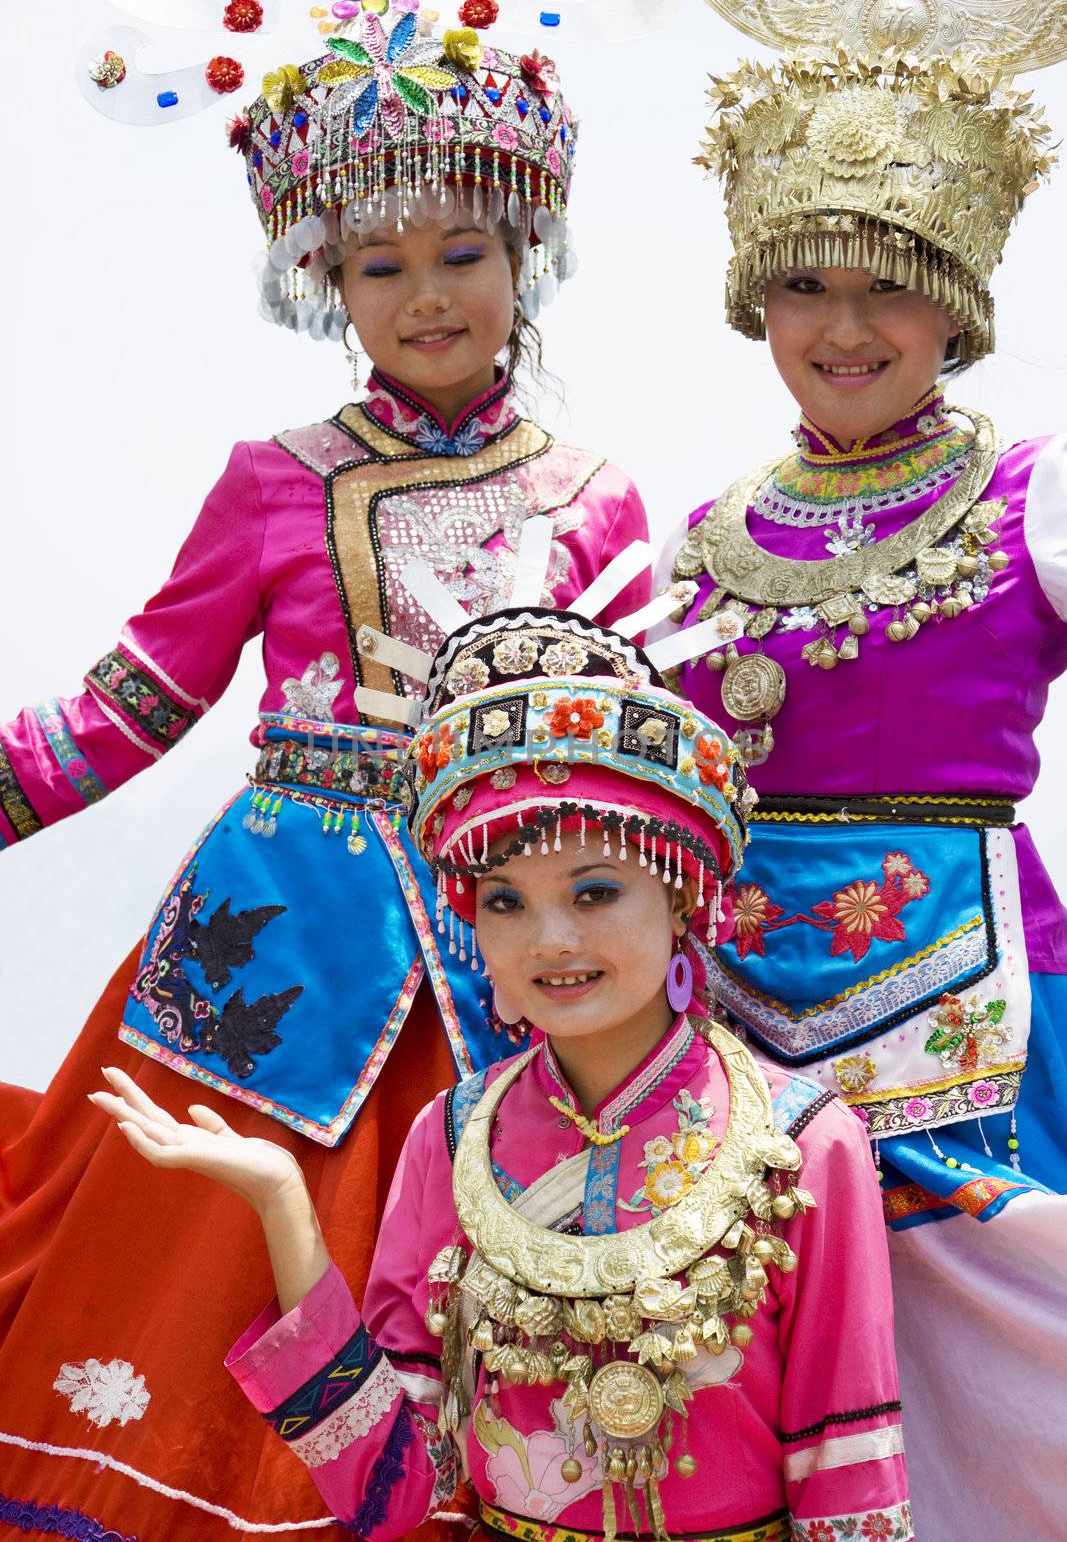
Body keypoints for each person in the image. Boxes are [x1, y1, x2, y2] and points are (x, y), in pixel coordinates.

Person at [0, 0, 650, 1540]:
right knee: (178, 1271)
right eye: (379, 265)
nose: (426, 296)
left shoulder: (594, 491)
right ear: (327, 288)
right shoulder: (272, 483)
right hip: (276, 944)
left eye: (462, 255)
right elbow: (134, 700)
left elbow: (632, 759)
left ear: (521, 262)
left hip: (516, 951)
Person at [89, 579, 912, 1542]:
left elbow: (848, 1481)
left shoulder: (805, 1144)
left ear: (684, 893)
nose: (548, 939)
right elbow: (394, 1496)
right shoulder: (452, 1138)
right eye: (504, 901)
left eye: (594, 890)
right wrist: (284, 1206)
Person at [661, 0, 1067, 1536]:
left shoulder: (1031, 493)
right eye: (807, 285)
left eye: (887, 280)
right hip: (737, 1031)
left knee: (988, 1372)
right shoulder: (703, 535)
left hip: (969, 1010)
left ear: (955, 301)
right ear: (756, 298)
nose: (844, 327)